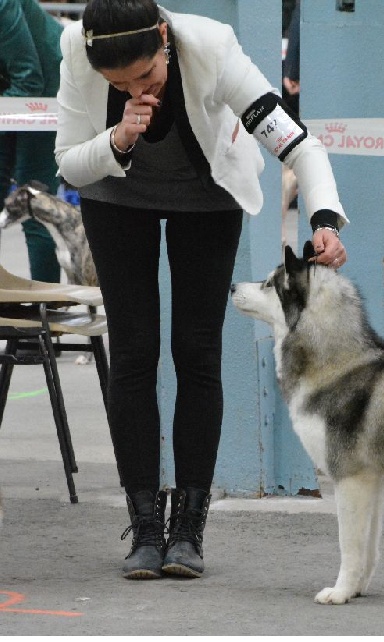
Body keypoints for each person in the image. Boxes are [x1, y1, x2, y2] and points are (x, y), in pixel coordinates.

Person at [55, 0, 348, 580]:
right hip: (116, 198)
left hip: (207, 199)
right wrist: (116, 138)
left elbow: (300, 147)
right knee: (134, 353)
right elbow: (68, 165)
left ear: (164, 37)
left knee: (197, 351)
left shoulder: (213, 49)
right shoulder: (75, 50)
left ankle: (189, 529)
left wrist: (324, 220)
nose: (137, 88)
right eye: (118, 82)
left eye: (145, 74)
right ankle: (143, 528)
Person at [0, 0, 62, 283]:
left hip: (46, 83)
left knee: (32, 198)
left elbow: (29, 81)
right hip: (9, 85)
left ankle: (47, 310)